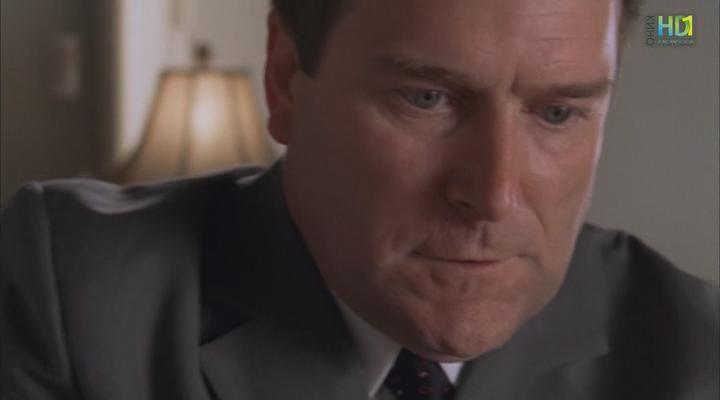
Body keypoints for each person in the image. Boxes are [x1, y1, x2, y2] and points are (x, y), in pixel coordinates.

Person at [1, 0, 717, 399]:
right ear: (285, 78)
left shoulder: (694, 353)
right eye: (427, 98)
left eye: (557, 114)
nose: (494, 197)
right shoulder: (69, 297)